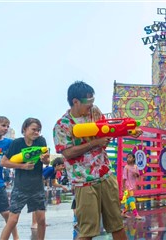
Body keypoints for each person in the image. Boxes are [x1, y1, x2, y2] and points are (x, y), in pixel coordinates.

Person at [53, 80, 142, 240]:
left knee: (117, 225)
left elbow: (108, 130)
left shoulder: (94, 112)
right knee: (87, 231)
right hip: (84, 182)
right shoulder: (62, 125)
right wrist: (95, 143)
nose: (92, 105)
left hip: (106, 176)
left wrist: (128, 131)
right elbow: (67, 153)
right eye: (88, 102)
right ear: (75, 102)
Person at [0, 118, 50, 240]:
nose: (36, 132)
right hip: (20, 186)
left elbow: (47, 160)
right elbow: (3, 162)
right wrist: (22, 166)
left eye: (38, 130)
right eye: (34, 129)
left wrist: (45, 160)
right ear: (24, 129)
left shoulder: (41, 141)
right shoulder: (17, 143)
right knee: (12, 220)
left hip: (37, 186)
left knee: (42, 220)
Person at [31, 157, 69, 229]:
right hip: (35, 185)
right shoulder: (50, 169)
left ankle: (42, 222)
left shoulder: (54, 171)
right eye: (62, 165)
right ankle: (34, 223)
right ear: (57, 165)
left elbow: (54, 183)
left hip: (38, 186)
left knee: (42, 205)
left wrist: (62, 186)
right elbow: (40, 177)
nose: (63, 168)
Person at [121, 152, 143, 219]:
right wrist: (123, 187)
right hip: (128, 186)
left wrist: (136, 175)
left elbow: (138, 175)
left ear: (133, 159)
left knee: (129, 200)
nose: (128, 159)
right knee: (132, 199)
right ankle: (136, 214)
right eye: (127, 157)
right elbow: (124, 178)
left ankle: (123, 213)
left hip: (133, 186)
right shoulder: (126, 167)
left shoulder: (136, 167)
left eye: (130, 157)